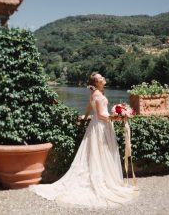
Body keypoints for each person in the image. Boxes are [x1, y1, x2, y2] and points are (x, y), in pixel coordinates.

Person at [29, 72, 138, 208]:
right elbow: (99, 114)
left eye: (102, 77)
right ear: (96, 82)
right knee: (100, 152)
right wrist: (114, 117)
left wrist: (86, 116)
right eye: (100, 78)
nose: (103, 78)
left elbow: (89, 106)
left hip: (103, 125)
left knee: (104, 152)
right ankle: (101, 181)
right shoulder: (97, 94)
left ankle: (105, 178)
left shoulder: (99, 92)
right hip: (100, 125)